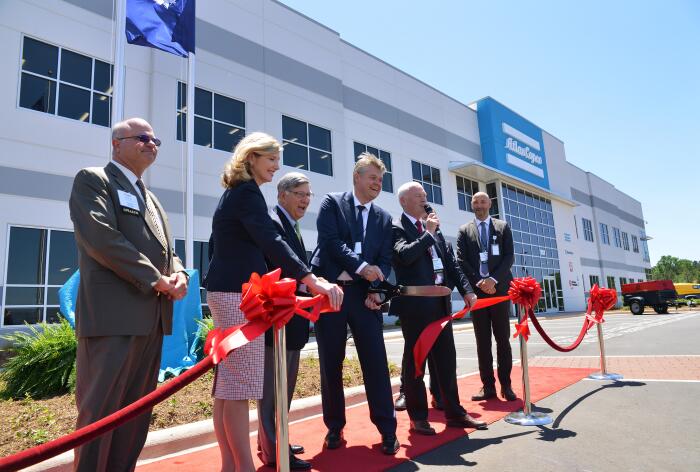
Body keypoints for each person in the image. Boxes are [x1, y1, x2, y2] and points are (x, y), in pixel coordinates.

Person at [204, 133, 342, 472]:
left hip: (225, 291)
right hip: (238, 296)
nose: (276, 167)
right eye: (271, 159)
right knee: (237, 388)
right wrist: (311, 279)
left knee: (227, 387)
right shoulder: (247, 194)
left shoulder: (235, 194)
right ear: (251, 158)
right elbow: (271, 239)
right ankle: (244, 467)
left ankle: (230, 466)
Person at [69, 117, 189, 471]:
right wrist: (156, 279)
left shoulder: (150, 198)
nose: (151, 143)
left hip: (150, 319)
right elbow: (101, 238)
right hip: (112, 317)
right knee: (100, 410)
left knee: (135, 413)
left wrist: (178, 273)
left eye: (155, 139)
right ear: (116, 144)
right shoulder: (94, 180)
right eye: (142, 137)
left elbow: (168, 250)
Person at [312, 153, 399, 455]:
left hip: (365, 299)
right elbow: (331, 243)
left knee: (375, 363)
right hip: (333, 295)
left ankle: (388, 430)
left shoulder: (384, 218)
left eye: (381, 179)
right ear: (357, 177)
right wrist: (362, 267)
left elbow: (386, 259)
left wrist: (377, 289)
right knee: (330, 364)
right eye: (372, 177)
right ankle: (334, 428)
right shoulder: (332, 203)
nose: (377, 183)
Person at [390, 182, 487, 434]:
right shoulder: (397, 228)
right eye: (419, 196)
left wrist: (466, 289)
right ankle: (418, 417)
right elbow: (404, 256)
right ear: (404, 202)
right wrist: (428, 234)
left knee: (446, 360)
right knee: (416, 362)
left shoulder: (434, 229)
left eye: (425, 195)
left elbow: (452, 264)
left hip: (441, 304)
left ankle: (454, 412)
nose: (425, 199)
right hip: (416, 307)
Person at [256, 172, 315, 470]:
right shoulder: (274, 223)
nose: (305, 200)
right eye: (300, 194)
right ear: (282, 195)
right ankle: (274, 451)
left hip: (292, 322)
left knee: (284, 389)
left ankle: (275, 439)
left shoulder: (291, 224)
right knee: (273, 392)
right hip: (276, 323)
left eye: (308, 195)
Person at [456, 191, 516, 402]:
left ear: (489, 204)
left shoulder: (502, 227)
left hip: (499, 292)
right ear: (471, 205)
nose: (479, 204)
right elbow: (461, 261)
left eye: (483, 201)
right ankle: (487, 386)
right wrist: (479, 281)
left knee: (502, 340)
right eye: (475, 201)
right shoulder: (464, 230)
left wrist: (493, 280)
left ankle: (506, 385)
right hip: (478, 295)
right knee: (482, 341)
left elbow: (509, 256)